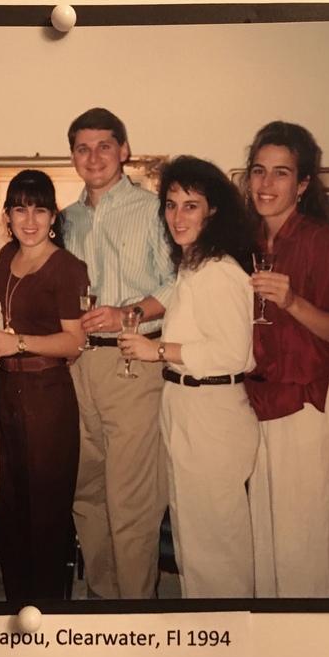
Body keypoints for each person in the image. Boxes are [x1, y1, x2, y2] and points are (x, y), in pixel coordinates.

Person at [118, 156, 259, 598]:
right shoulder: (192, 267)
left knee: (217, 548)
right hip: (185, 406)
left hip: (212, 414)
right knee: (193, 545)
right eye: (171, 204)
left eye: (191, 205)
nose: (178, 216)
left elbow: (232, 354)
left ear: (213, 210)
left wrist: (156, 349)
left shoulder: (219, 271)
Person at [242, 121, 329, 598]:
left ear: (303, 184)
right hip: (260, 405)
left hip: (311, 408)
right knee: (266, 549)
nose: (266, 185)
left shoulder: (323, 243)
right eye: (259, 171)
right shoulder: (246, 244)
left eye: (280, 173)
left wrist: (293, 302)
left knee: (308, 548)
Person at [62, 107, 174, 599]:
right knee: (86, 490)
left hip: (132, 357)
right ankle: (102, 600)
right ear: (73, 157)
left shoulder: (154, 209)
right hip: (78, 363)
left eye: (104, 145)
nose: (94, 157)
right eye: (83, 148)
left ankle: (135, 609)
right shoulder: (63, 220)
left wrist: (126, 313)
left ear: (124, 150)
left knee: (131, 496)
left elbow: (176, 285)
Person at [0, 170, 88, 600]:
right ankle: (16, 611)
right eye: (20, 208)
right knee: (8, 511)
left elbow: (75, 342)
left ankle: (46, 620)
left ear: (53, 216)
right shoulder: (6, 255)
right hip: (4, 391)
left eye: (40, 209)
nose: (30, 219)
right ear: (7, 215)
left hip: (47, 394)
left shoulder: (67, 266)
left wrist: (17, 342)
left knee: (45, 512)